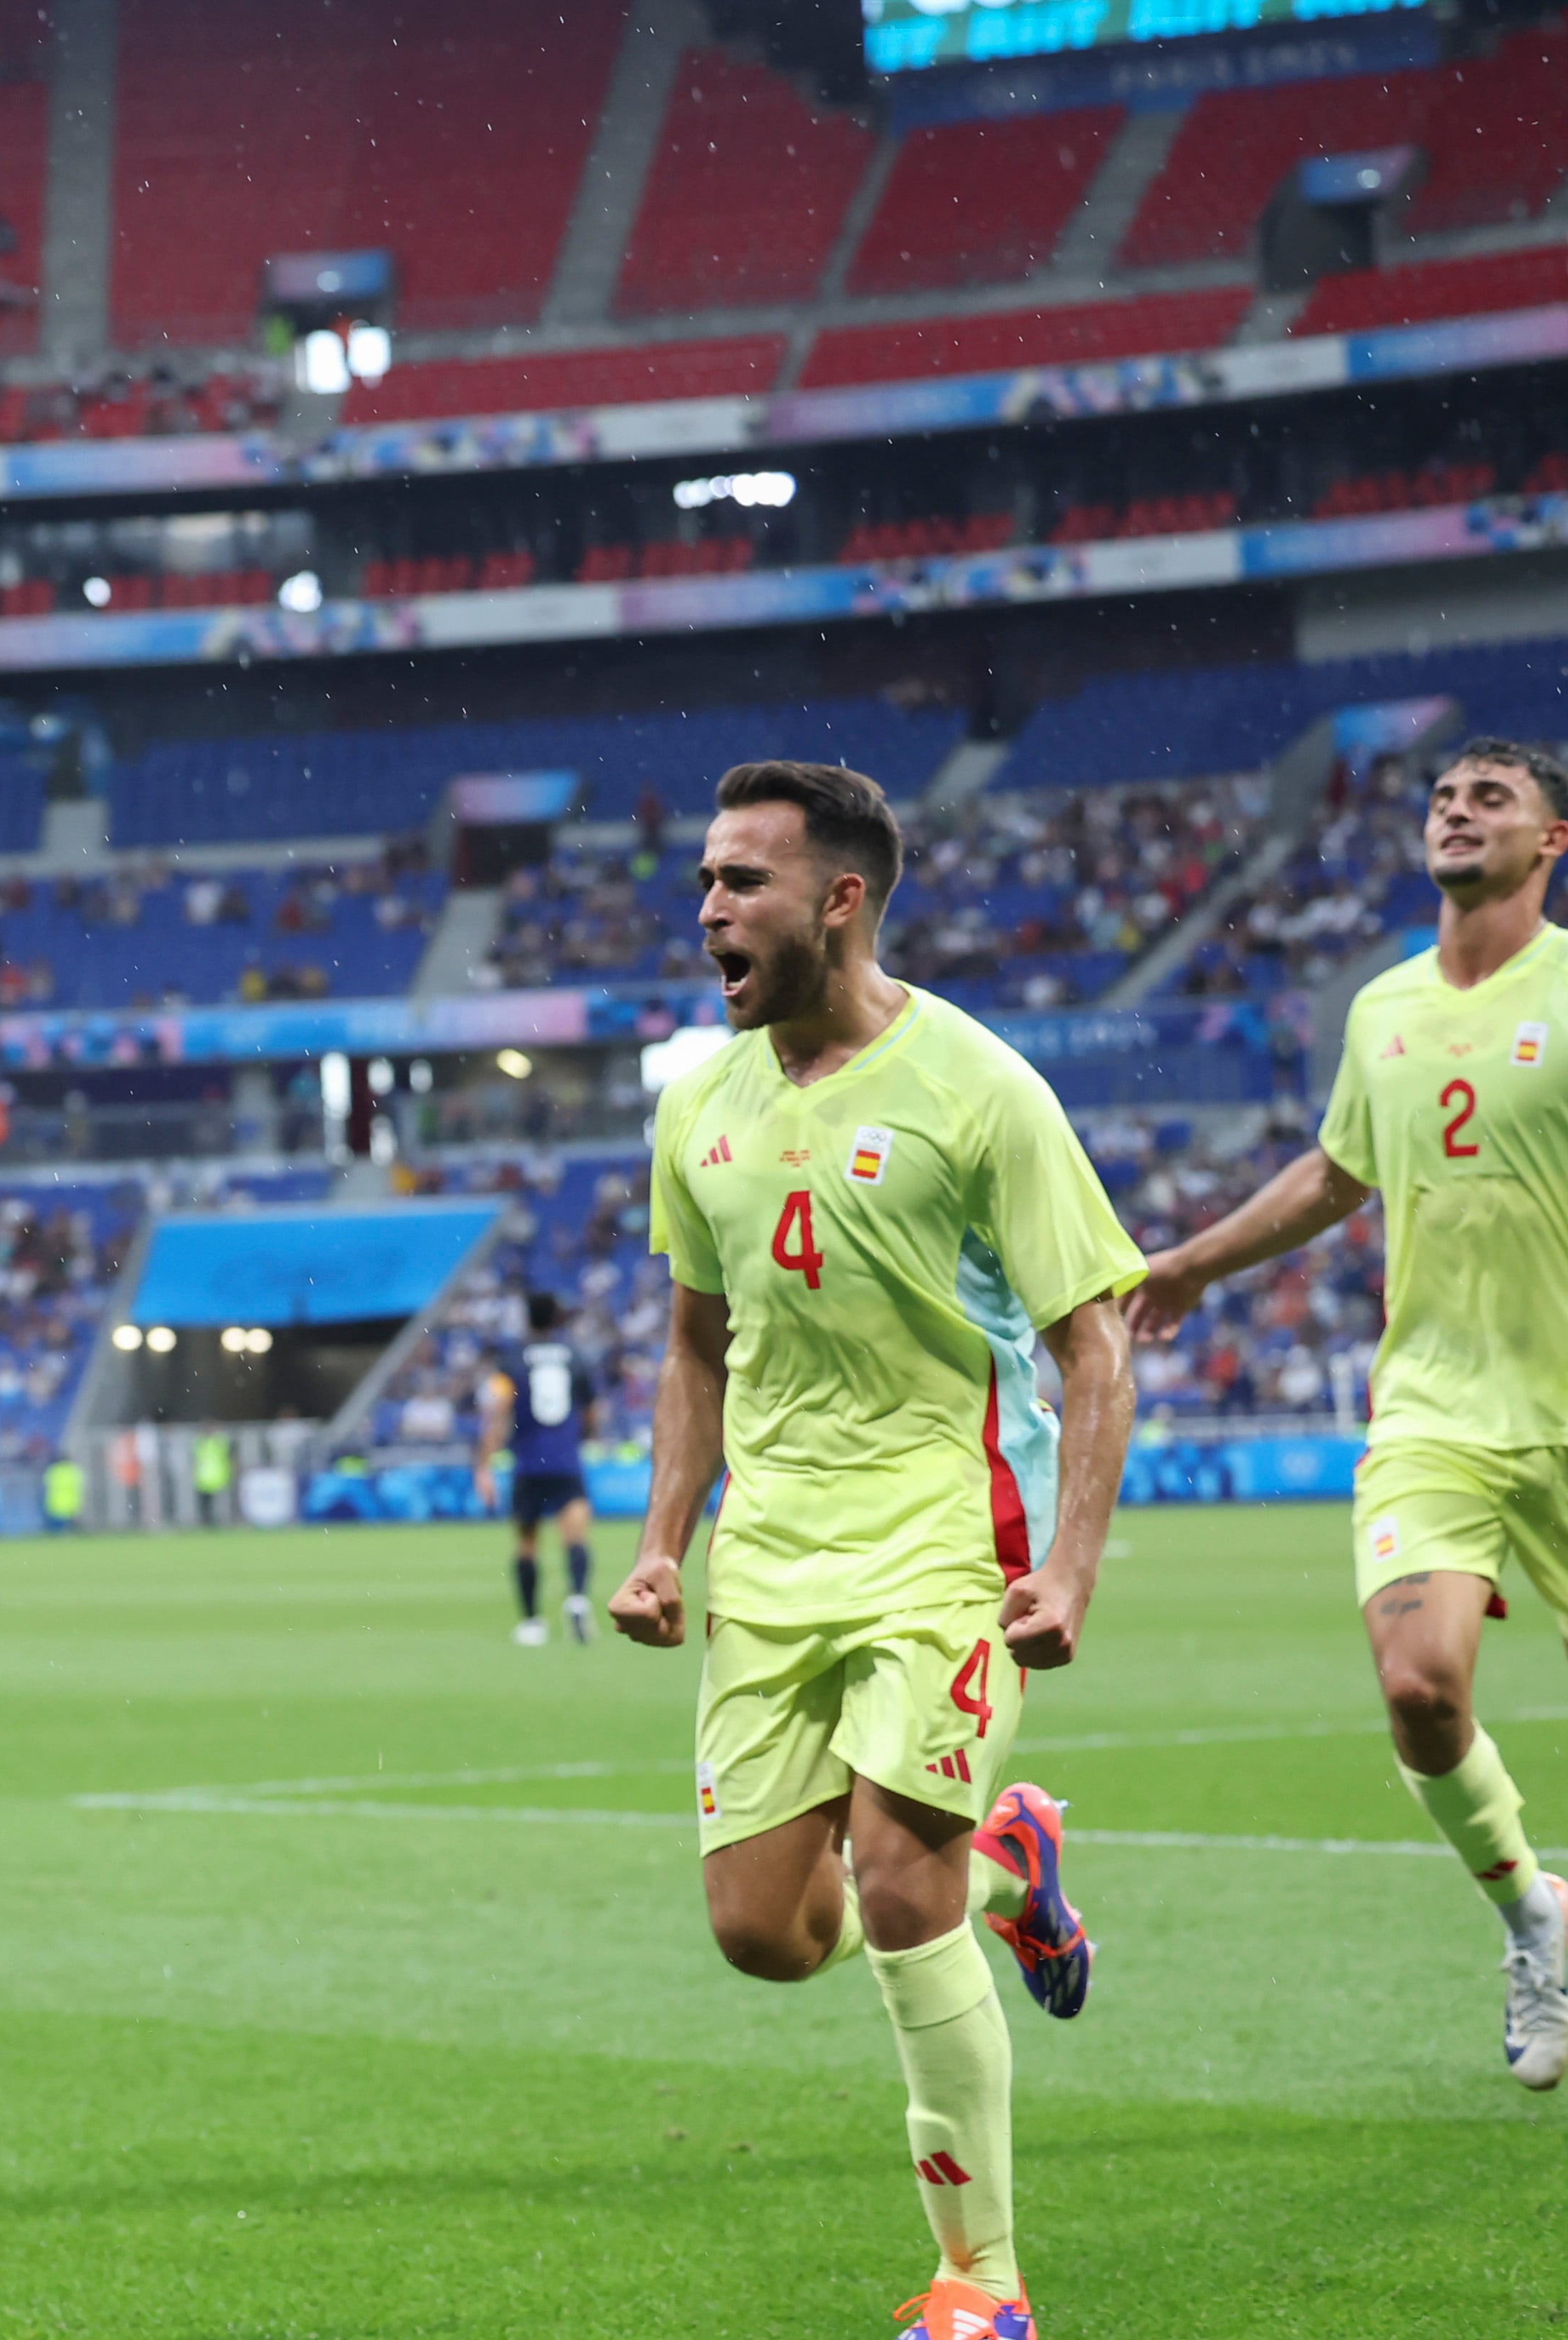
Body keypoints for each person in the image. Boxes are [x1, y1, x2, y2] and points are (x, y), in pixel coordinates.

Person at [607, 760, 1139, 2340]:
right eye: (705, 879)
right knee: (765, 1935)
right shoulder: (699, 1098)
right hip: (773, 1556)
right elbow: (696, 1346)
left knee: (903, 1894)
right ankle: (1013, 1849)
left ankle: (985, 2286)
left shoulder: (981, 1088)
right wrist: (660, 1545)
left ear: (839, 899)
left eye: (743, 882)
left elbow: (1094, 1345)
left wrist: (1071, 1566)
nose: (709, 908)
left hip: (942, 1537)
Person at [1126, 736, 1568, 2083]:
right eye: (1442, 795)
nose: (1456, 809)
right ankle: (1533, 1921)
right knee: (1419, 1685)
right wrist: (1195, 1260)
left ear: (1552, 842)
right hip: (1433, 1406)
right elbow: (1335, 1174)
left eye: (1491, 797)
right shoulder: (1380, 1006)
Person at [475, 1289, 596, 1645]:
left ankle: (532, 1623)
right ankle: (576, 1598)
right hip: (565, 1460)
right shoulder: (576, 1357)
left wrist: (484, 1465)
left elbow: (497, 1411)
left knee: (527, 1545)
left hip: (528, 1462)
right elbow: (591, 1412)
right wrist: (579, 1438)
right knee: (575, 1536)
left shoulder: (512, 1360)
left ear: (527, 1319)